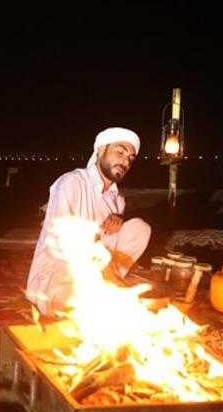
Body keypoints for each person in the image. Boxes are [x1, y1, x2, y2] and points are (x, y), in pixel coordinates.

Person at [26, 127, 152, 318]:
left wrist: (118, 219)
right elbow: (58, 244)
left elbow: (112, 241)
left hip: (99, 276)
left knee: (140, 228)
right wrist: (101, 266)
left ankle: (110, 289)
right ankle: (104, 294)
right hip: (57, 276)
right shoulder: (71, 183)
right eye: (120, 152)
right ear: (100, 150)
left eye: (131, 158)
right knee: (83, 308)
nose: (126, 161)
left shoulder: (118, 200)